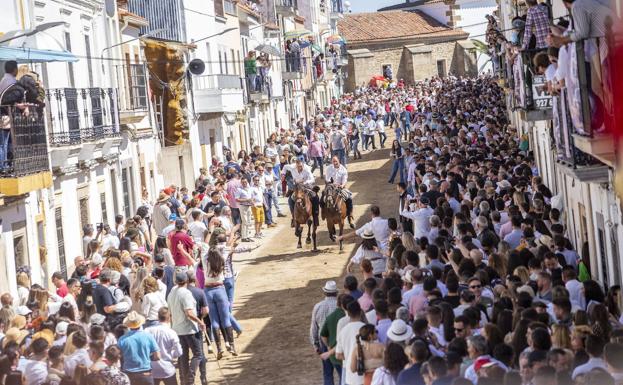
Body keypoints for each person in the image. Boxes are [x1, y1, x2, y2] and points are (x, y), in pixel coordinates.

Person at [167, 272, 205, 385]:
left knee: (183, 357)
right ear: (187, 281)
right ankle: (189, 378)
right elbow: (189, 312)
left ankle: (184, 380)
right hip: (189, 329)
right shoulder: (185, 293)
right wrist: (200, 322)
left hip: (177, 329)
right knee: (198, 354)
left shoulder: (171, 292)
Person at [144, 307, 183, 385]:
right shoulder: (171, 332)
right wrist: (171, 355)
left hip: (152, 368)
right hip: (167, 367)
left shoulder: (147, 331)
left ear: (158, 317)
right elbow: (179, 352)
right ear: (169, 318)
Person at [311, 281, 339, 367]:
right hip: (336, 340)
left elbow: (314, 328)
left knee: (327, 372)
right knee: (340, 370)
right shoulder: (339, 306)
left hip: (323, 340)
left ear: (325, 292)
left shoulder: (318, 306)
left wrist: (315, 344)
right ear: (336, 293)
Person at [325, 156, 354, 227]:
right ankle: (324, 214)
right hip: (330, 187)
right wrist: (331, 184)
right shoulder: (329, 168)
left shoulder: (343, 169)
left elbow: (345, 179)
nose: (335, 163)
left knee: (349, 198)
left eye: (336, 161)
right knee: (322, 199)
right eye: (333, 161)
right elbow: (327, 178)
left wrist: (342, 185)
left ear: (339, 161)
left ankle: (350, 216)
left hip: (340, 187)